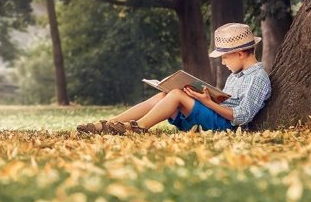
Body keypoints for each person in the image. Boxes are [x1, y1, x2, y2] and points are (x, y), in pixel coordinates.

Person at [76, 23, 271, 134]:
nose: (222, 62)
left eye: (225, 57)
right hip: (217, 116)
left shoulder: (258, 78)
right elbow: (227, 102)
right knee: (165, 95)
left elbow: (242, 117)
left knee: (177, 94)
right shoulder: (236, 76)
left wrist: (206, 102)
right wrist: (205, 97)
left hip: (226, 126)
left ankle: (137, 128)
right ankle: (110, 124)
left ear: (239, 53)